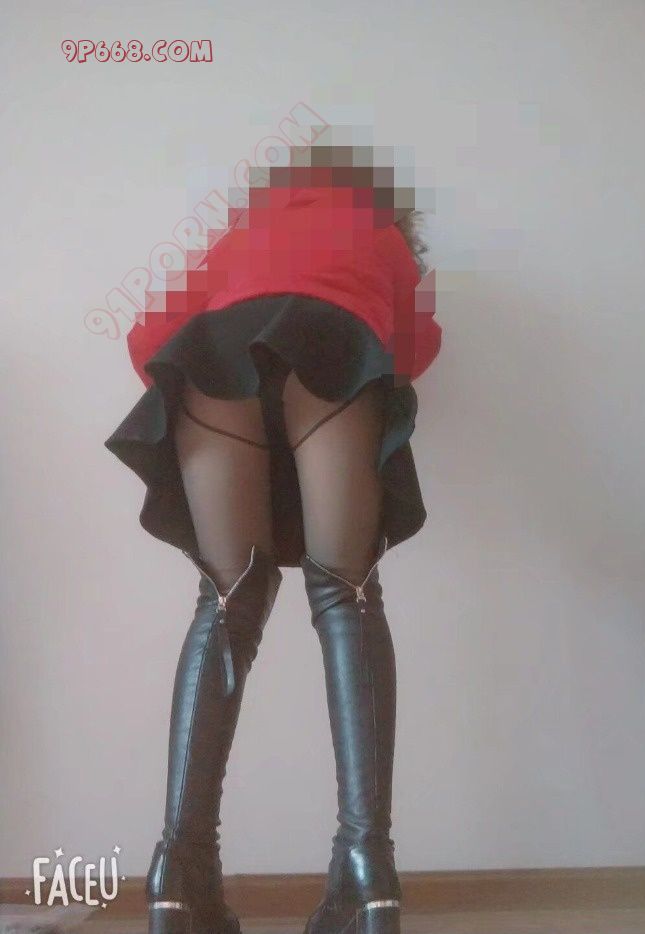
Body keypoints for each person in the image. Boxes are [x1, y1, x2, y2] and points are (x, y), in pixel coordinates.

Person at [104, 141, 442, 934]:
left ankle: (180, 872)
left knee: (227, 600)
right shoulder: (379, 233)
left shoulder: (236, 234)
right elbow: (414, 347)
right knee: (347, 593)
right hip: (335, 346)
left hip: (213, 354)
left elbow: (148, 335)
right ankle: (366, 868)